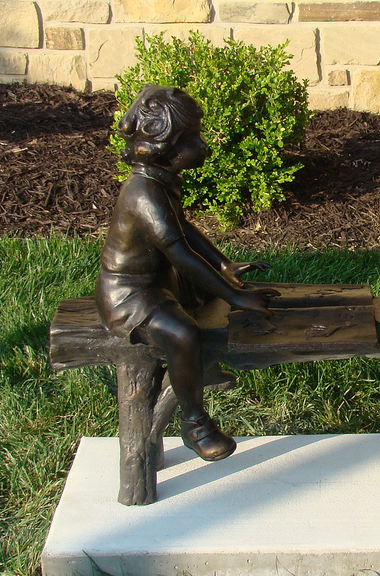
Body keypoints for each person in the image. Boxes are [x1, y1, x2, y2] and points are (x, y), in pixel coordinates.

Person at [96, 85, 276, 461]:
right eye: (193, 138)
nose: (203, 145)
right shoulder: (143, 192)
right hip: (131, 296)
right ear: (168, 146)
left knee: (209, 306)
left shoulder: (158, 183)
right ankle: (195, 424)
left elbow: (183, 230)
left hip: (162, 283)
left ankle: (199, 369)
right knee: (182, 331)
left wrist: (223, 264)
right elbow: (180, 254)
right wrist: (236, 295)